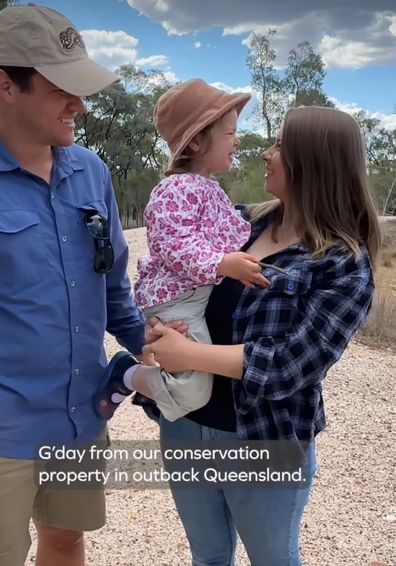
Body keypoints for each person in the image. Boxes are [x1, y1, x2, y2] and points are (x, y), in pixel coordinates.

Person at [122, 106, 381, 565]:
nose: (265, 152)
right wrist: (156, 327)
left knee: (272, 560)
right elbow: (169, 271)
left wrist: (192, 354)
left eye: (279, 144)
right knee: (208, 558)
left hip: (264, 442)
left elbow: (290, 365)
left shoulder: (344, 263)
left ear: (312, 160)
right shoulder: (236, 225)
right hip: (184, 427)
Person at [0, 5, 147, 566]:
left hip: (80, 418)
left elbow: (113, 291)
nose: (80, 105)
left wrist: (151, 345)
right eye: (63, 87)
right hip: (6, 430)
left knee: (65, 541)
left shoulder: (91, 172)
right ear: (7, 85)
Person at [96, 79, 270, 422]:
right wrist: (222, 263)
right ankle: (126, 374)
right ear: (195, 141)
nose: (237, 141)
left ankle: (152, 389)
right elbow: (173, 245)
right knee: (194, 389)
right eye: (229, 134)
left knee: (190, 375)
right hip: (178, 301)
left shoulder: (206, 186)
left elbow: (228, 228)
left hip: (192, 293)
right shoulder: (174, 189)